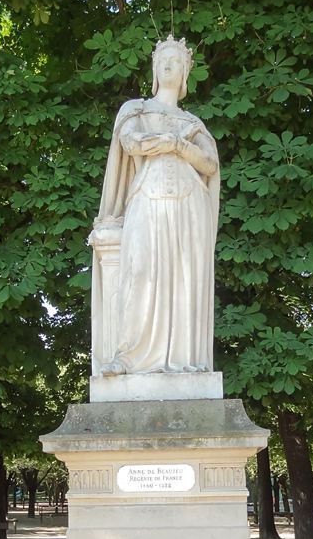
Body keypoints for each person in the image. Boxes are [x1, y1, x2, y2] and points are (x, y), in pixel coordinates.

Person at [91, 35, 220, 376]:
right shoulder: (136, 109)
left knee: (184, 278)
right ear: (153, 68)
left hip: (189, 204)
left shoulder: (192, 124)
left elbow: (209, 164)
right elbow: (130, 142)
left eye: (176, 61)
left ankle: (184, 360)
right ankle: (129, 356)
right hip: (147, 198)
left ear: (185, 73)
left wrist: (177, 146)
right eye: (163, 60)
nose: (168, 66)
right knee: (141, 271)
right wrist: (167, 143)